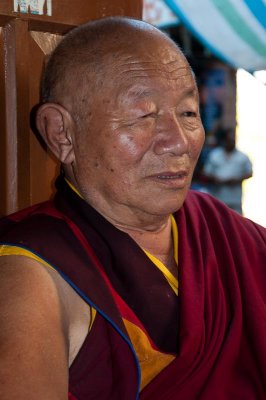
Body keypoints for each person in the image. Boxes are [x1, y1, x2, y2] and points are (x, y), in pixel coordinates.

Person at [0, 17, 265, 400]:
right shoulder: (32, 272)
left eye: (189, 113)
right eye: (143, 116)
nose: (178, 142)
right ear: (62, 133)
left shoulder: (227, 236)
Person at [203, 127, 253, 214]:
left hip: (235, 200)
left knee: (236, 224)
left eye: (233, 140)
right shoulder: (215, 155)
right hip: (218, 197)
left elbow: (249, 173)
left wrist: (237, 179)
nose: (231, 142)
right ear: (224, 141)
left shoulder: (243, 157)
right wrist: (215, 179)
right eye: (229, 140)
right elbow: (206, 172)